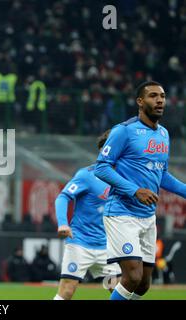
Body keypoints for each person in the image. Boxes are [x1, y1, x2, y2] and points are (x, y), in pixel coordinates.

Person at [95, 81, 186, 300]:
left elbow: (161, 174)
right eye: (153, 96)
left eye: (162, 96)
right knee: (132, 277)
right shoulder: (124, 131)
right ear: (140, 101)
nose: (160, 100)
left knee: (143, 285)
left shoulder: (163, 134)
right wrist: (135, 190)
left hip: (147, 217)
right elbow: (102, 167)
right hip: (121, 213)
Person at [53, 130, 121, 300]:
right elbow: (63, 197)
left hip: (107, 247)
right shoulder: (87, 175)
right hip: (80, 244)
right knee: (67, 291)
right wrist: (63, 223)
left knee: (119, 292)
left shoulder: (123, 178)